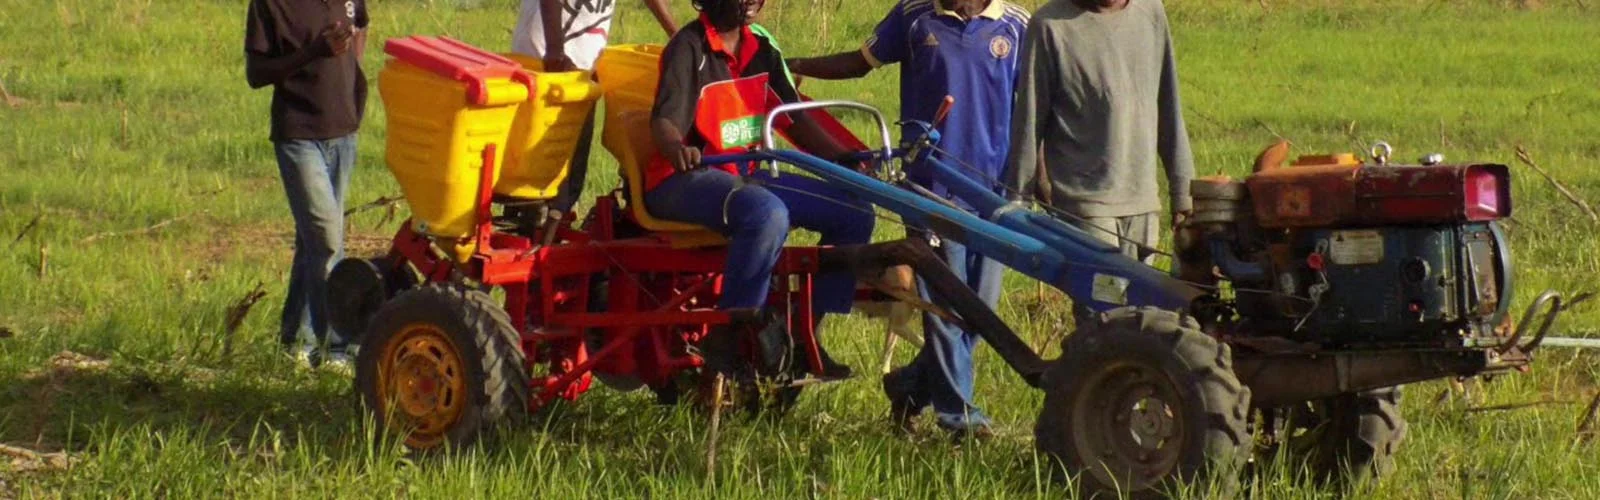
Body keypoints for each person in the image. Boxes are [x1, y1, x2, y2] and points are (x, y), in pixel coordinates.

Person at [788, 0, 1029, 438]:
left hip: (994, 193)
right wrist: (793, 65)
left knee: (981, 313)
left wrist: (1035, 176)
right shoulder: (914, 16)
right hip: (928, 188)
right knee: (944, 309)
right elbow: (858, 64)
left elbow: (1035, 105)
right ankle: (961, 419)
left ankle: (909, 387)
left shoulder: (1015, 26)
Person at [647, 0, 873, 379]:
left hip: (745, 175)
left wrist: (845, 159)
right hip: (683, 178)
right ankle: (731, 334)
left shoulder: (761, 50)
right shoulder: (688, 47)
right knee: (766, 212)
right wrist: (677, 149)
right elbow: (664, 121)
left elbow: (794, 119)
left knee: (855, 213)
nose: (752, 2)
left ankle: (804, 337)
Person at [1003, 0, 1195, 326]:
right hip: (1086, 207)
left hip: (1142, 201)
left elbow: (1169, 106)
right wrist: (1017, 202)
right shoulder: (1050, 25)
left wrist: (1183, 191)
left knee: (1150, 323)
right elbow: (1029, 121)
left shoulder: (1151, 13)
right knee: (1104, 320)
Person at [244, 0, 369, 368]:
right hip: (298, 136)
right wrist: (315, 51)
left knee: (312, 242)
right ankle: (335, 349)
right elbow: (256, 73)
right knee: (329, 241)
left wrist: (353, 78)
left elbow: (360, 23)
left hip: (344, 132)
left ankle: (296, 339)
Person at [512, 0, 678, 215]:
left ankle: (552, 226)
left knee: (571, 167)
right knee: (543, 163)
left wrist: (677, 36)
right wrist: (555, 51)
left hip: (582, 60)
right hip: (544, 58)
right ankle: (532, 228)